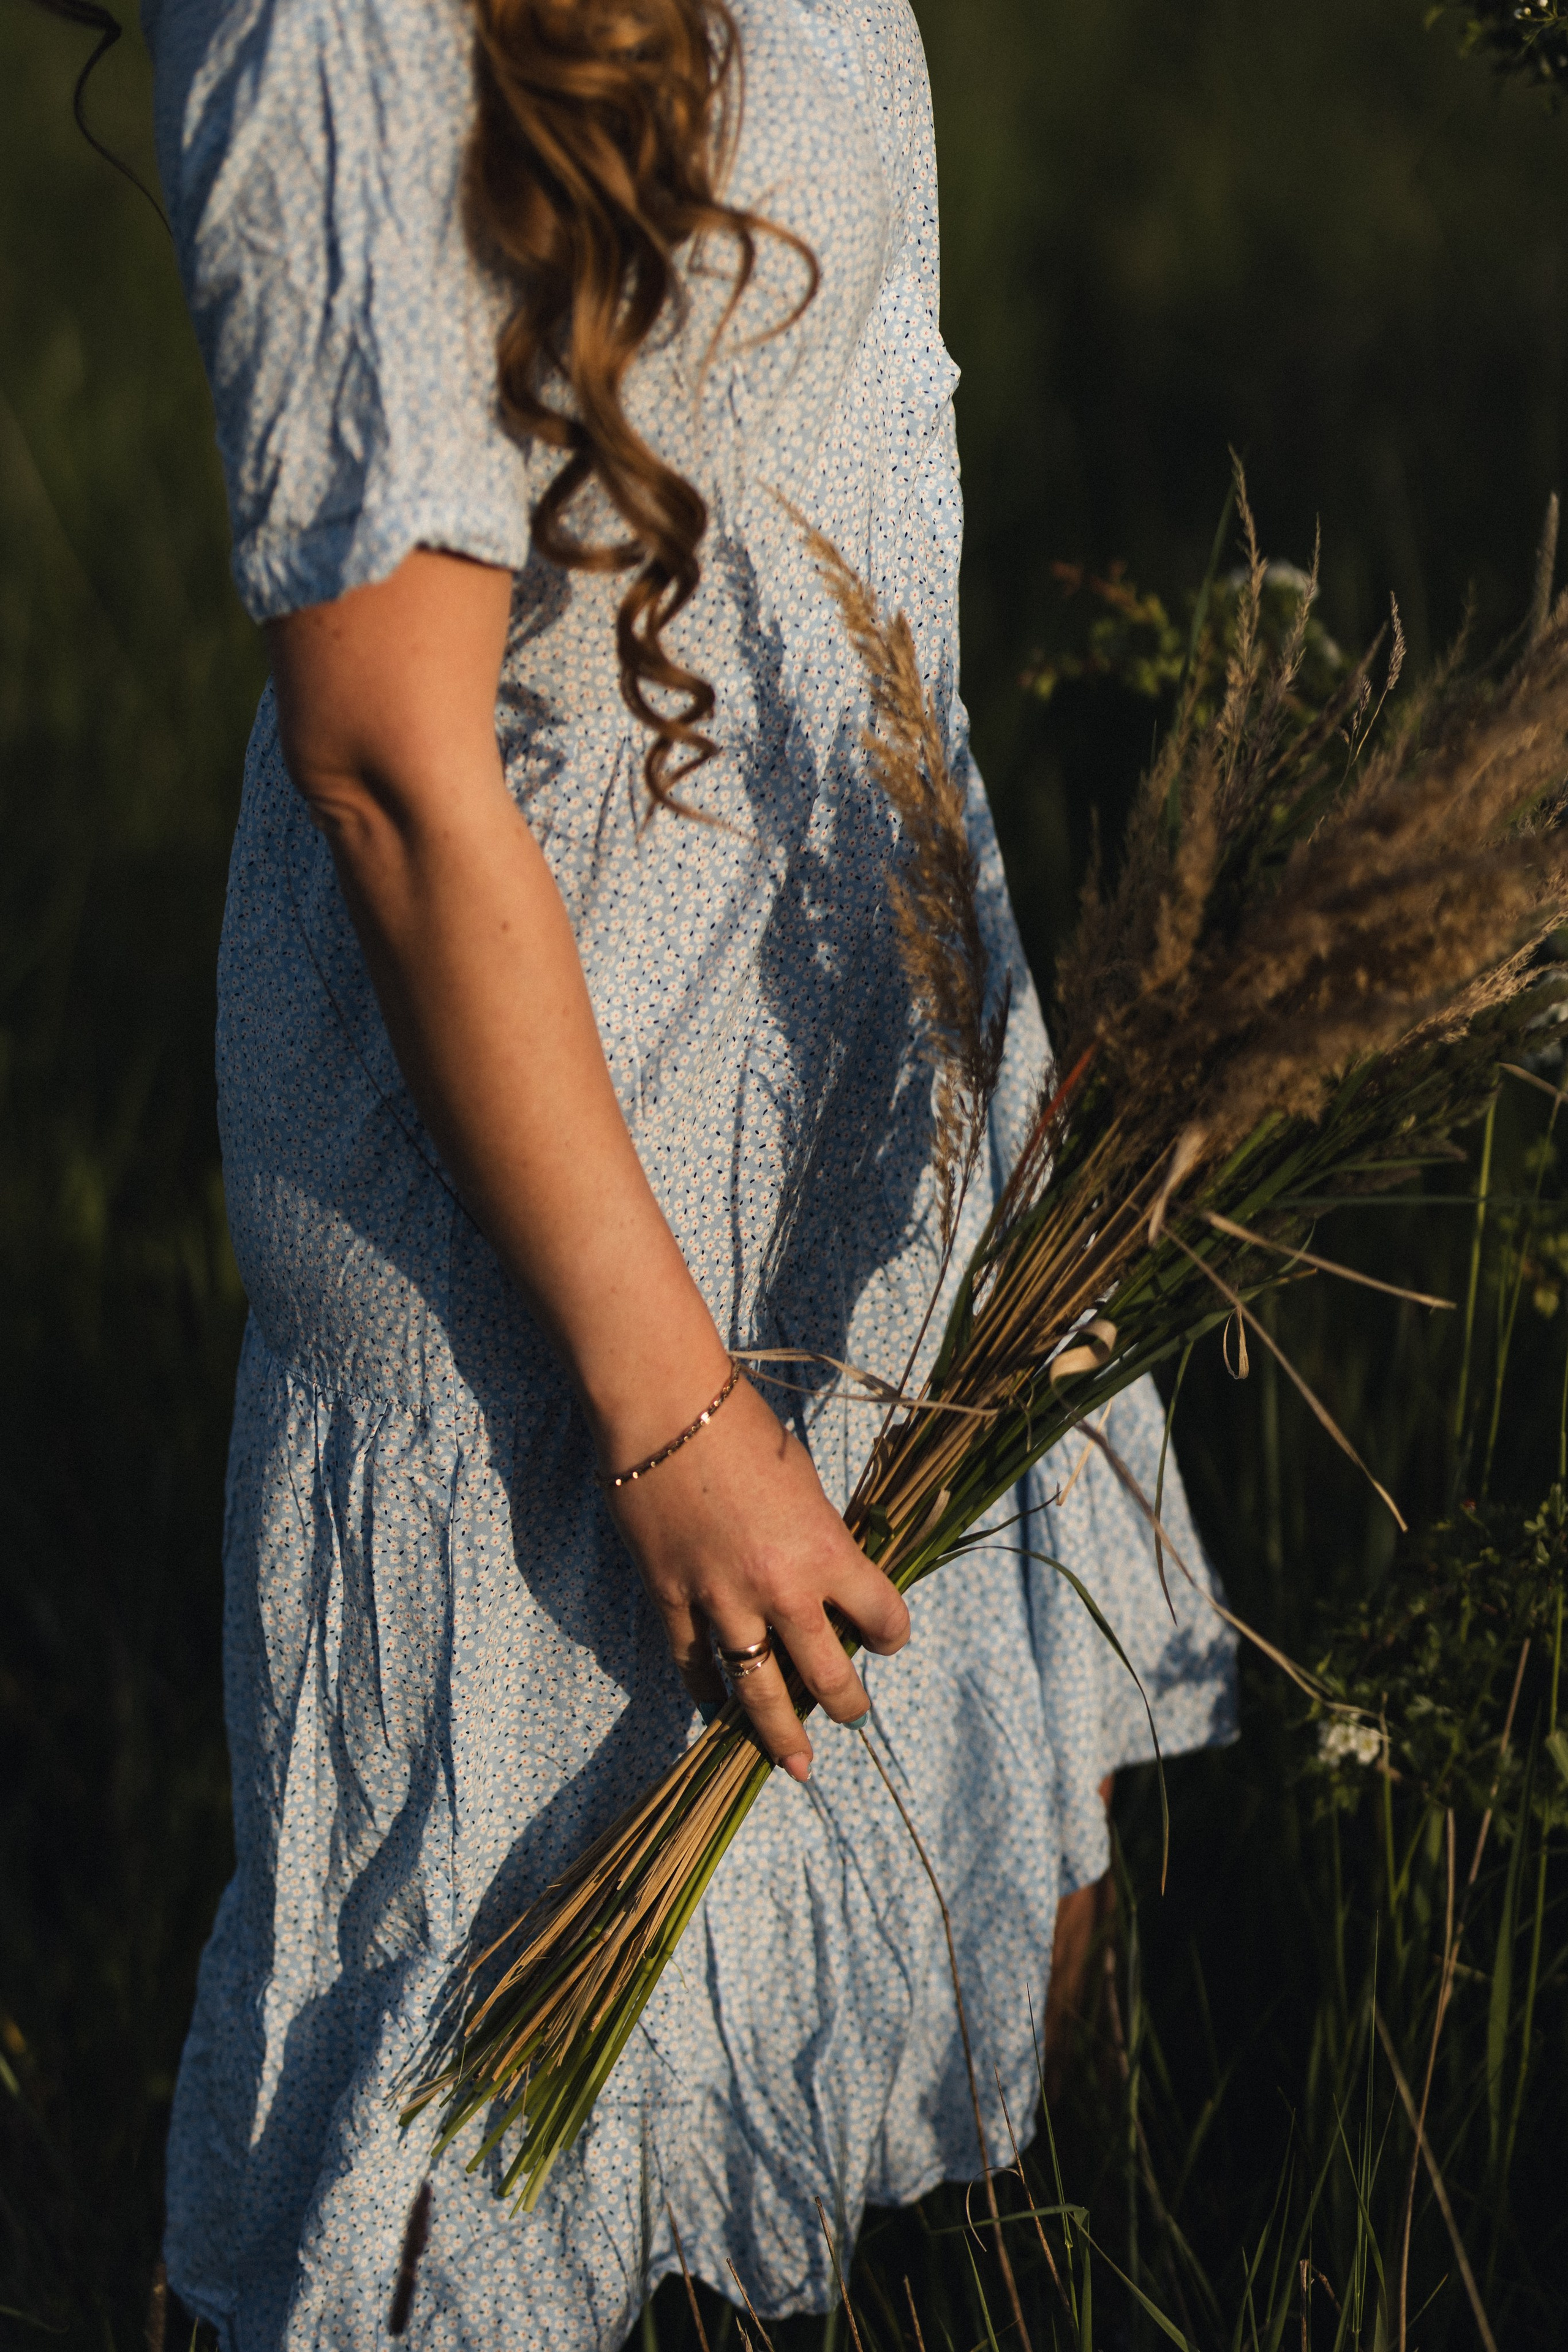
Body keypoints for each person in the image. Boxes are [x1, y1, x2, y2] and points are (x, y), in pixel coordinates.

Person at [137, 0, 1235, 2343]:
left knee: (944, 2052)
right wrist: (668, 1408)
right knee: (508, 2172)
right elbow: (389, 766)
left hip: (876, 1081)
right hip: (575, 1244)